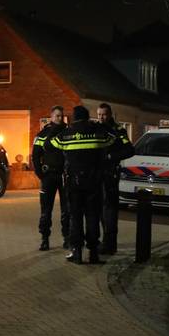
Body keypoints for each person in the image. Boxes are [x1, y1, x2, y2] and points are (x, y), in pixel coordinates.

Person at [51, 105, 114, 264]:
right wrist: (100, 125)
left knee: (75, 217)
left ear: (73, 117)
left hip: (74, 183)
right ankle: (93, 253)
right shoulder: (97, 133)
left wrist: (59, 127)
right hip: (94, 183)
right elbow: (112, 139)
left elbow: (50, 144)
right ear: (87, 117)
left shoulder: (66, 134)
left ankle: (77, 252)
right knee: (92, 216)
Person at [96, 103, 135, 254]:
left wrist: (111, 156)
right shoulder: (95, 128)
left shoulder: (118, 130)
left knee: (110, 210)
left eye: (103, 114)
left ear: (110, 114)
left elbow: (130, 150)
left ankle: (110, 244)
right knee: (100, 209)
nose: (101, 117)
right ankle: (105, 242)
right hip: (97, 174)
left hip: (111, 174)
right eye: (99, 114)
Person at [32, 105, 69, 251]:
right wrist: (41, 174)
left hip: (65, 176)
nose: (59, 118)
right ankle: (45, 239)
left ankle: (67, 238)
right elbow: (35, 155)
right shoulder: (42, 134)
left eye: (61, 116)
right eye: (57, 116)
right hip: (49, 176)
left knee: (67, 210)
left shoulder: (68, 133)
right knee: (46, 210)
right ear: (51, 117)